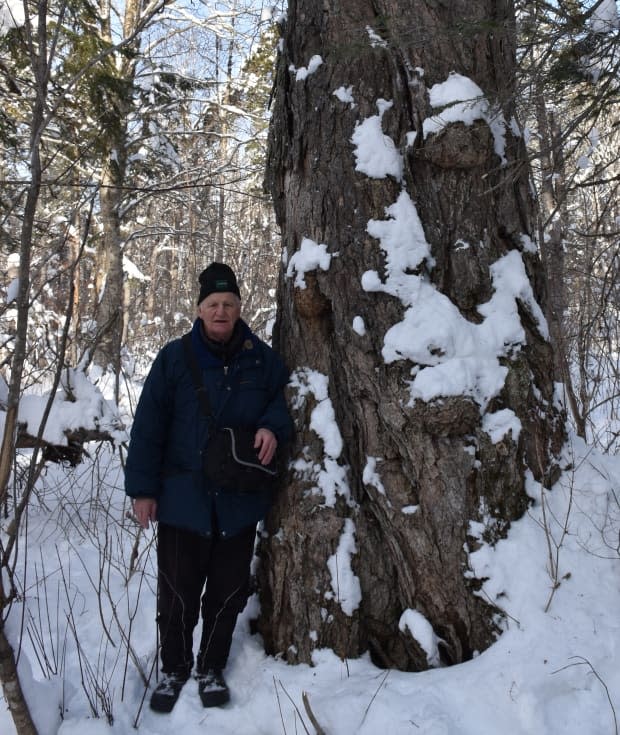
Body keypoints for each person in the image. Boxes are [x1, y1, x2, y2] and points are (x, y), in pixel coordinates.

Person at [124, 262, 292, 713]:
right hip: (183, 502)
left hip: (237, 501)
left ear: (239, 308)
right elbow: (148, 427)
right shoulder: (174, 358)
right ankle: (174, 668)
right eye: (213, 304)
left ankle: (210, 666)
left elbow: (285, 396)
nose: (221, 311)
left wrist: (273, 426)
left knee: (227, 593)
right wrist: (143, 490)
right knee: (177, 594)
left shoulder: (261, 358)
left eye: (229, 304)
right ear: (199, 310)